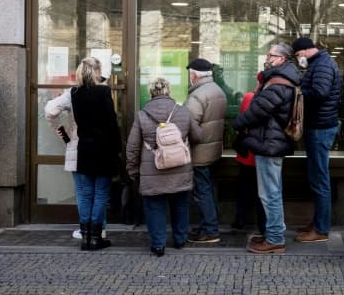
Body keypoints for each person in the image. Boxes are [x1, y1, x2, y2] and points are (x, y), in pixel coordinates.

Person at [233, 43, 301, 254]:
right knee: (272, 191)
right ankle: (273, 234)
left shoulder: (278, 82)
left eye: (272, 55)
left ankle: (274, 238)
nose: (268, 58)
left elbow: (258, 109)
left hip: (269, 143)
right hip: (271, 141)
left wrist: (238, 122)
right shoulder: (282, 79)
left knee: (269, 193)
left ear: (282, 59)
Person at [125, 77, 202, 257]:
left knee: (154, 207)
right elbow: (198, 136)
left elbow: (133, 146)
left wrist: (132, 169)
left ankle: (158, 245)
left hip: (152, 171)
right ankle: (180, 240)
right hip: (180, 168)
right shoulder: (183, 112)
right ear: (168, 91)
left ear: (151, 93)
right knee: (180, 205)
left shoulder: (142, 115)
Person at [62, 57, 120, 250]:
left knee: (86, 194)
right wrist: (118, 148)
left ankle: (85, 237)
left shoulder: (75, 93)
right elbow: (111, 122)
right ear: (96, 72)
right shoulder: (103, 91)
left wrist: (64, 134)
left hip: (84, 148)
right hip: (103, 148)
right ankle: (96, 237)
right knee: (101, 193)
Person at [291, 37, 342, 243]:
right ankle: (318, 222)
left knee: (320, 178)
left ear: (304, 51)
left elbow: (320, 92)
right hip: (319, 125)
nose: (298, 59)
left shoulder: (322, 64)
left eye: (297, 55)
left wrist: (299, 92)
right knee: (316, 177)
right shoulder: (320, 63)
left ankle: (321, 229)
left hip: (321, 127)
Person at [184, 58, 227, 244]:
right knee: (208, 190)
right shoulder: (218, 90)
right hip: (214, 149)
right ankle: (207, 226)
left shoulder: (197, 96)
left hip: (200, 152)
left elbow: (189, 126)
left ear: (194, 75)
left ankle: (210, 231)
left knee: (202, 193)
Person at [231, 74, 266, 236]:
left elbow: (241, 120)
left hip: (247, 153)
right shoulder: (272, 99)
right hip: (263, 152)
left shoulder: (249, 97)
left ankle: (240, 221)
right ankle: (263, 226)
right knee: (264, 193)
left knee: (243, 189)